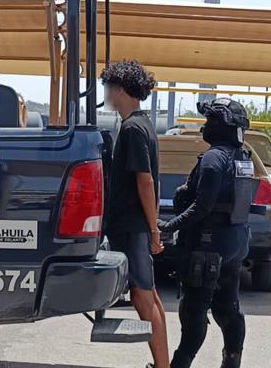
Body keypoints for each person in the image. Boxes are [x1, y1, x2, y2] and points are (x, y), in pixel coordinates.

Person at [158, 98, 254, 368]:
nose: (206, 126)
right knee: (227, 308)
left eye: (210, 120)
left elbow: (202, 207)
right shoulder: (242, 157)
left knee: (194, 311)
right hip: (234, 243)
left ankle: (180, 363)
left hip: (207, 245)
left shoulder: (214, 158)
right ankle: (232, 361)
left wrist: (170, 225)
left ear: (221, 125)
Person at [101, 60, 169, 368]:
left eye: (109, 88)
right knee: (150, 294)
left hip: (131, 225)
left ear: (121, 90)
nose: (106, 94)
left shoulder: (131, 129)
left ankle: (162, 365)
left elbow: (146, 180)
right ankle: (162, 363)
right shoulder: (143, 125)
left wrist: (153, 229)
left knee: (143, 296)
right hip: (136, 224)